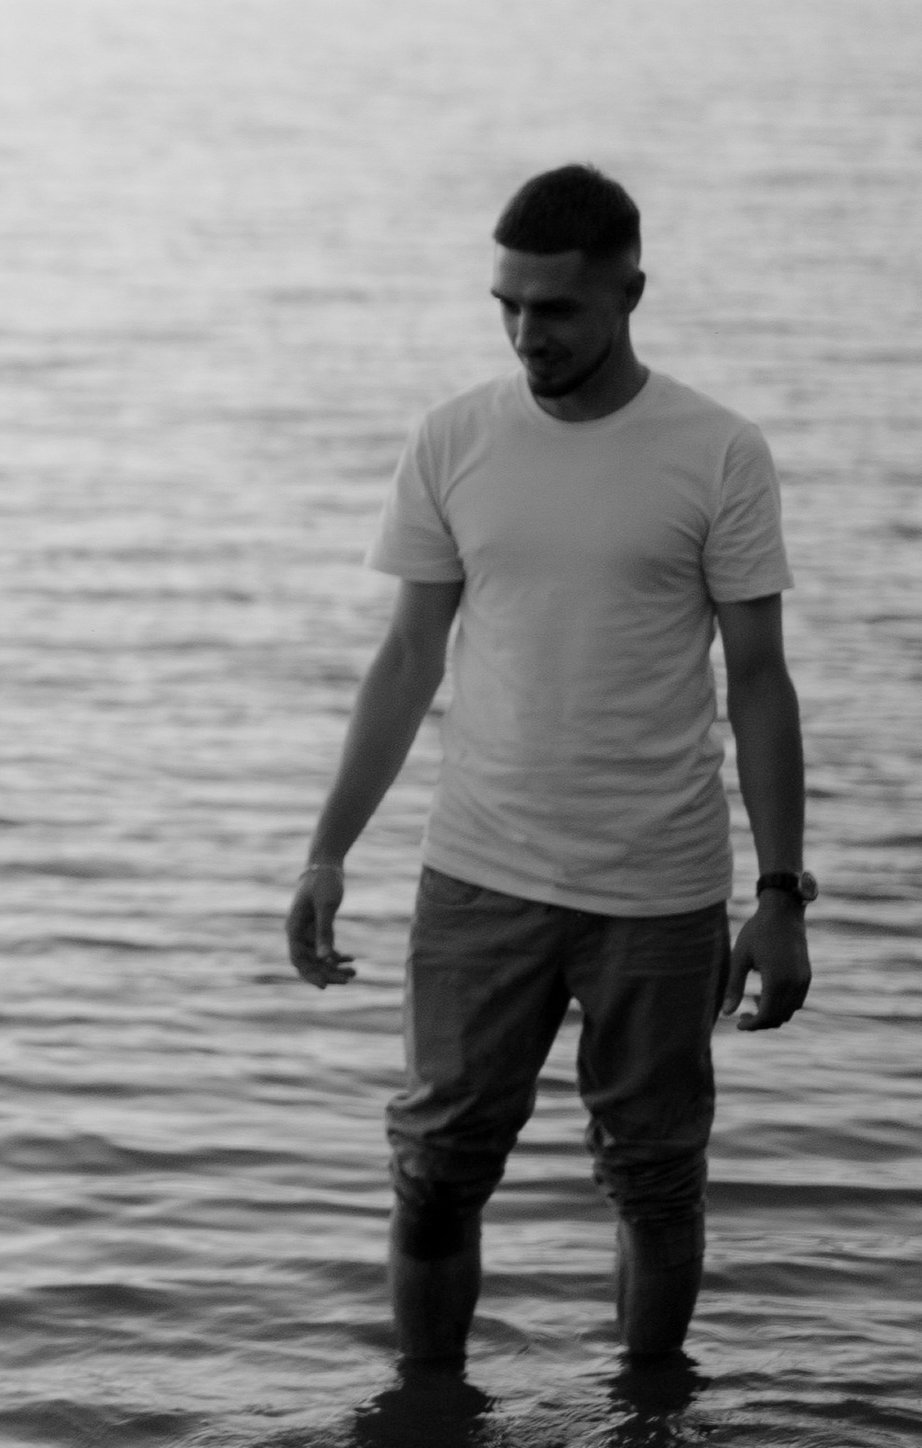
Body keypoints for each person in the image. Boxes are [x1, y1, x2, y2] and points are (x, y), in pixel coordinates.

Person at [285, 166, 810, 1370]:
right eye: (506, 305)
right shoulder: (454, 439)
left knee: (656, 1183)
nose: (528, 334)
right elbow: (409, 656)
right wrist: (327, 853)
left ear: (630, 290)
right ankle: (426, 1437)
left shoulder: (717, 451)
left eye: (556, 309)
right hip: (478, 872)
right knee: (432, 1175)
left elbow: (761, 680)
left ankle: (647, 1434)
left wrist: (781, 895)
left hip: (660, 885)